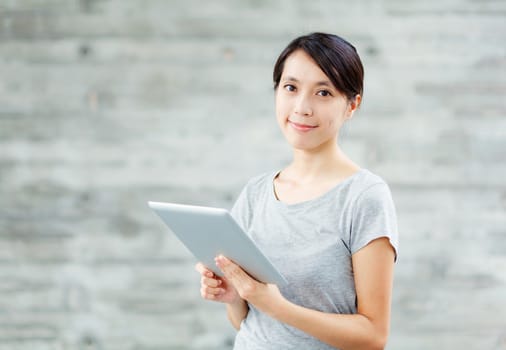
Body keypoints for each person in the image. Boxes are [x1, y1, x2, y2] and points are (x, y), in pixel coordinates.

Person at [195, 32, 399, 350]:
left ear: (352, 105)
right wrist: (235, 298)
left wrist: (279, 307)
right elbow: (246, 323)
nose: (302, 107)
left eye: (323, 93)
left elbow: (373, 336)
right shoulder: (256, 194)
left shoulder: (363, 197)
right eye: (291, 88)